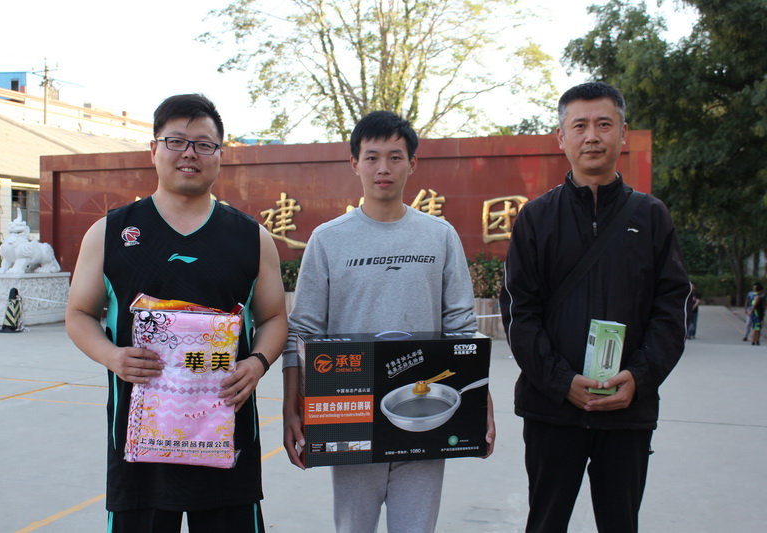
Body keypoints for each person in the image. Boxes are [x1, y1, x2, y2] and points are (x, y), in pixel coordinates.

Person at [65, 94, 288, 533]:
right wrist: (113, 357)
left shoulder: (251, 237)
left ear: (220, 155)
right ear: (154, 150)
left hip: (226, 436)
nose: (189, 153)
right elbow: (79, 314)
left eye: (203, 144)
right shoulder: (110, 231)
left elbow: (274, 318)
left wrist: (257, 363)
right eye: (176, 141)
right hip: (140, 445)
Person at [281, 110, 495, 533]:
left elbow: (460, 327)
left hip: (425, 414)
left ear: (412, 163)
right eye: (372, 157)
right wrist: (292, 406)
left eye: (395, 157)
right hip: (350, 411)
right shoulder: (328, 239)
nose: (383, 168)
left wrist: (479, 403)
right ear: (354, 163)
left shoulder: (439, 235)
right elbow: (303, 332)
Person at [499, 82, 690, 533]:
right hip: (552, 409)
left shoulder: (651, 216)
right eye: (579, 125)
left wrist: (639, 378)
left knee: (621, 523)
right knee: (545, 522)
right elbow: (520, 312)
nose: (592, 136)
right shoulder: (536, 218)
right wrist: (561, 381)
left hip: (627, 408)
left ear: (623, 135)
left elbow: (671, 307)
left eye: (604, 124)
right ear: (561, 137)